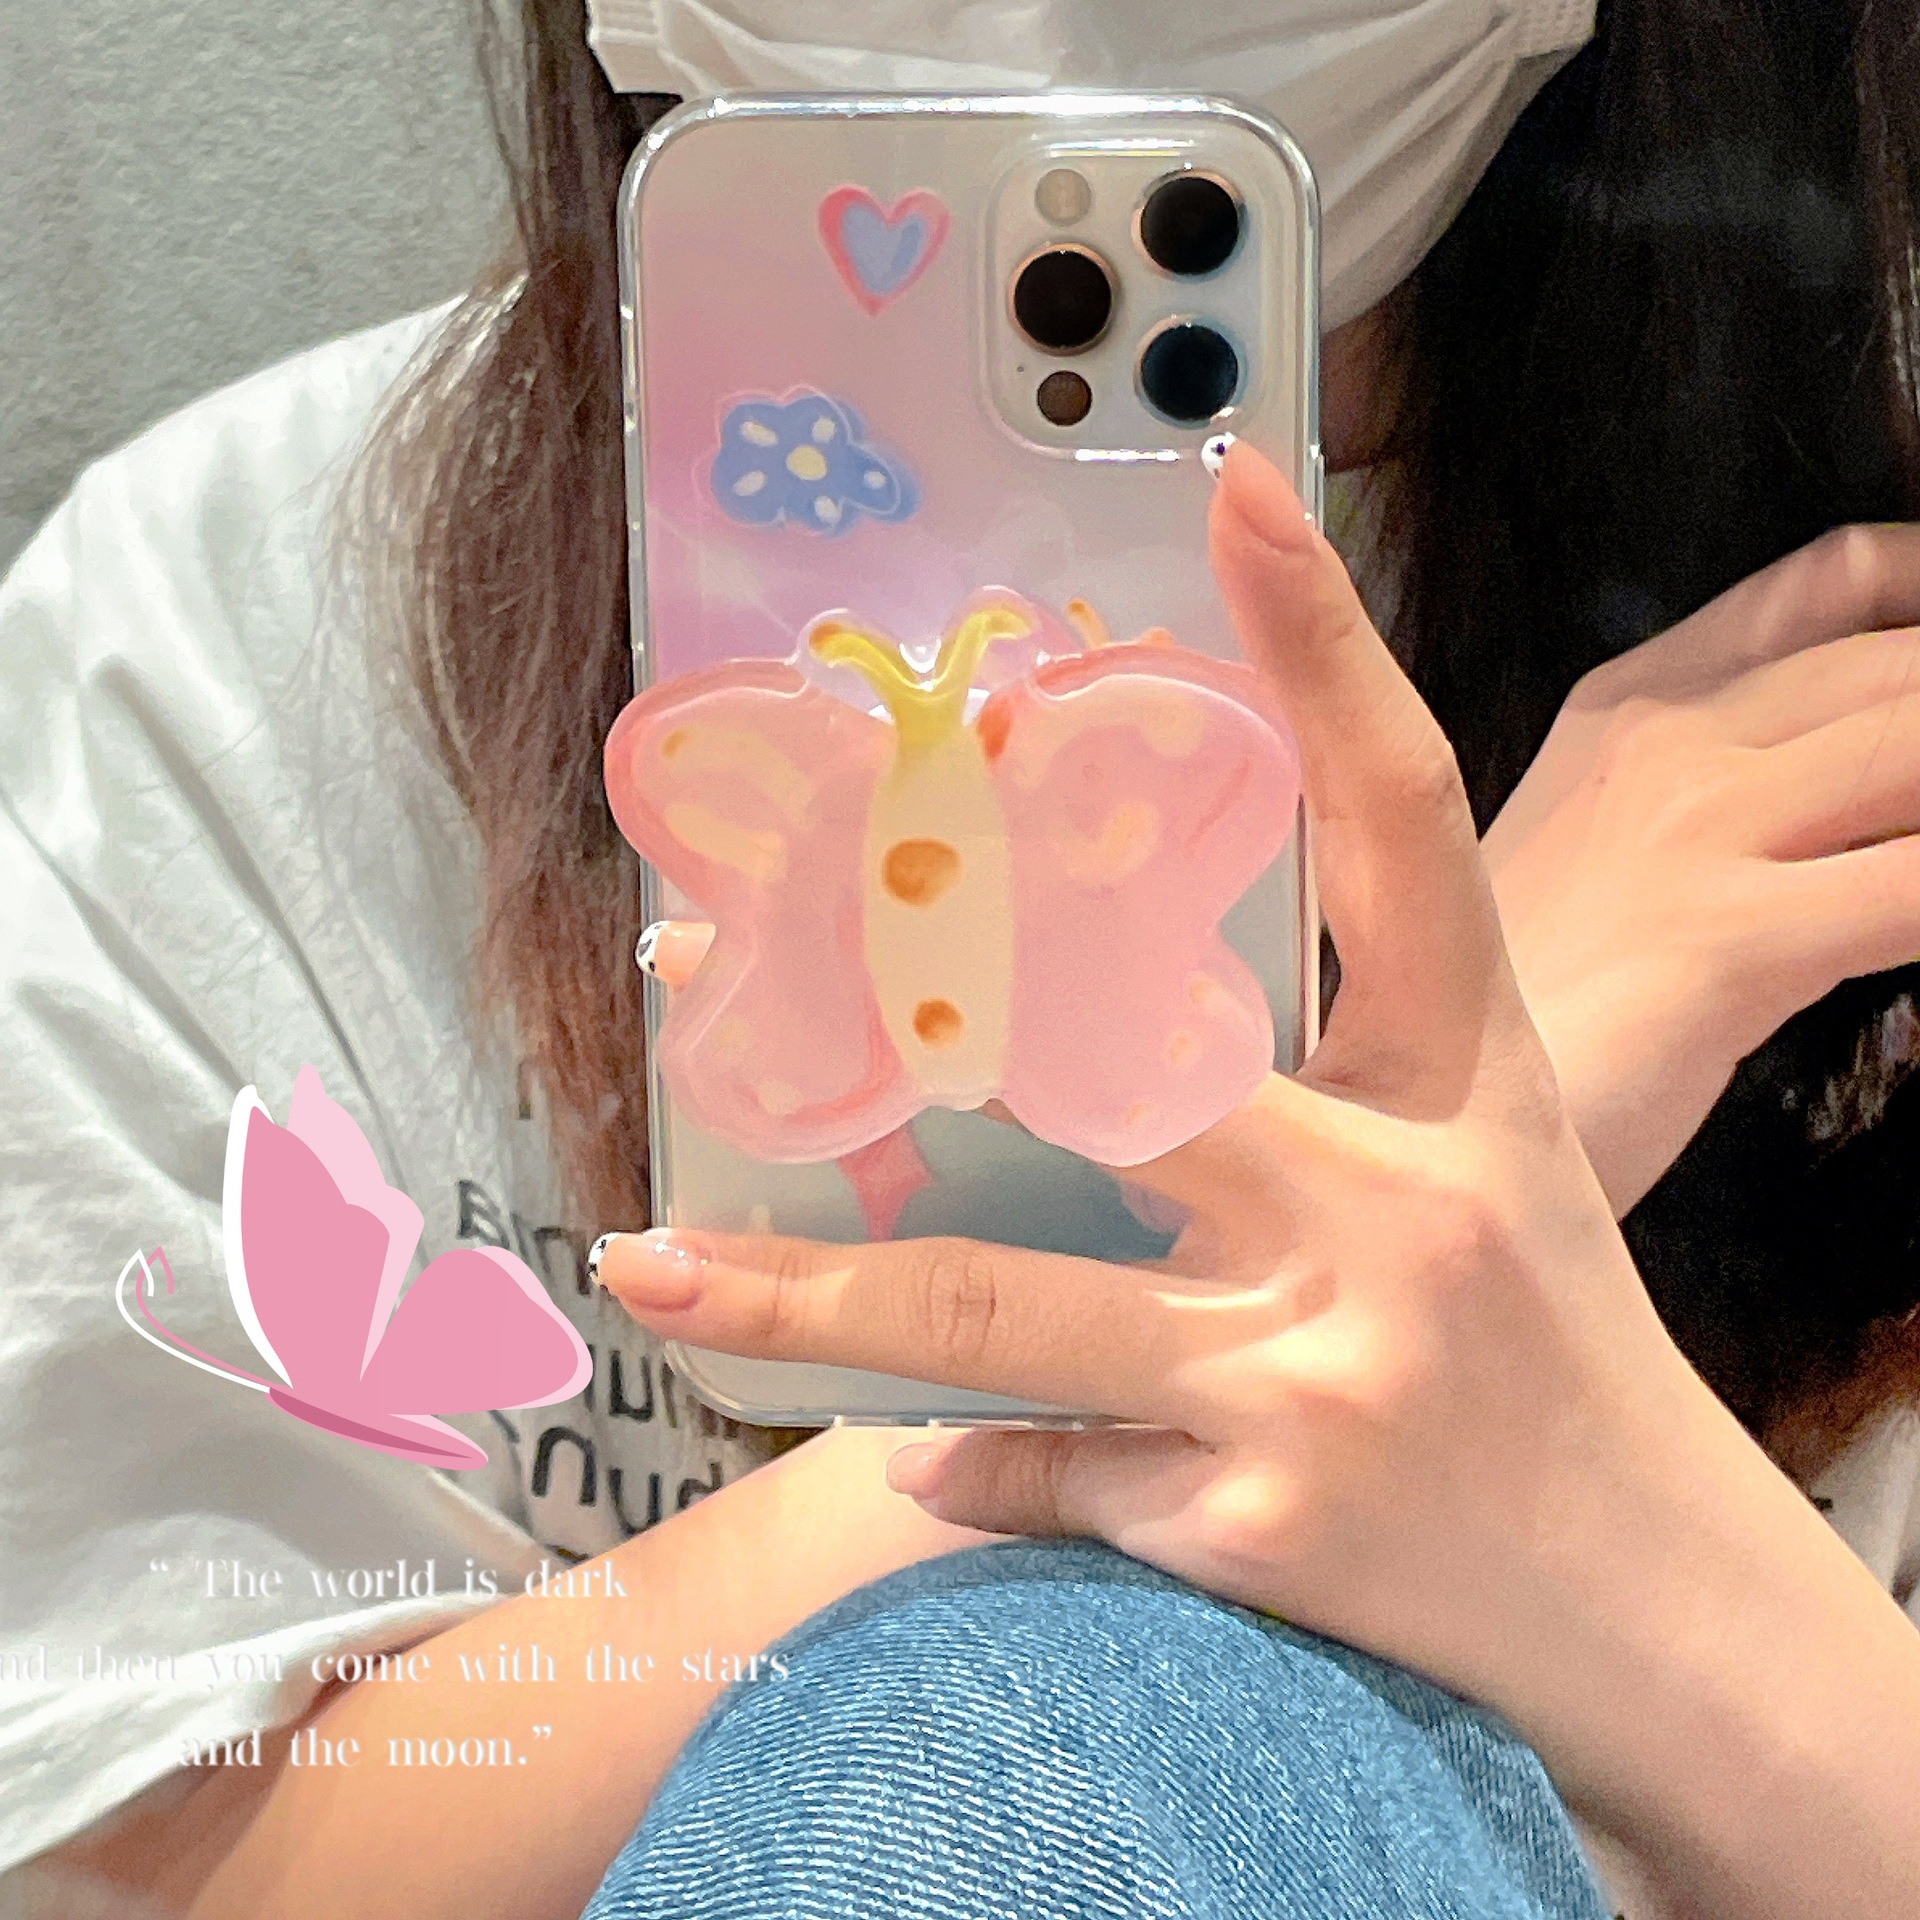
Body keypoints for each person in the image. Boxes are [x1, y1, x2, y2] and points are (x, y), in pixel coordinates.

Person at [1, 0, 1917, 1915]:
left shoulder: (1848, 711)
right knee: (1028, 1729)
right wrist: (1266, 1310)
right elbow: (200, 1870)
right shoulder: (233, 637)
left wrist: (1611, 1519)